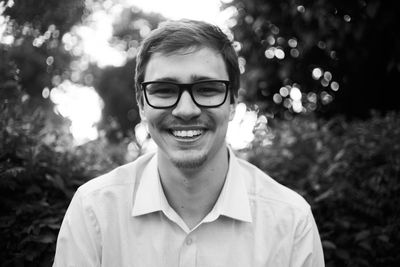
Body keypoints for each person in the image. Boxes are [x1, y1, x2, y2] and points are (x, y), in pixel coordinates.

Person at [53, 19, 325, 267]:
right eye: (164, 90)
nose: (185, 110)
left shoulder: (290, 222)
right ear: (141, 104)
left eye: (206, 89)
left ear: (232, 103)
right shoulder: (94, 213)